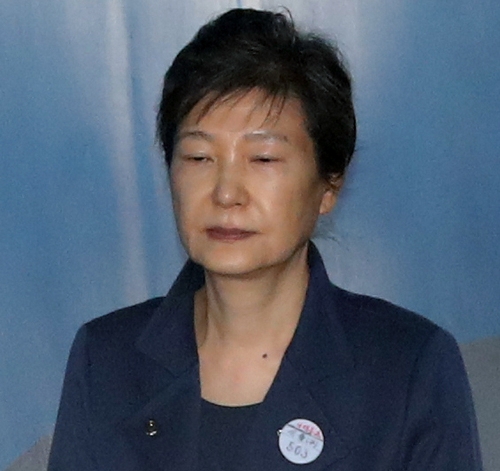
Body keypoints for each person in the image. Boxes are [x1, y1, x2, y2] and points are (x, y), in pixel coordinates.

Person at [48, 8, 482, 471]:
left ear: (329, 186)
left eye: (263, 159)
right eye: (198, 157)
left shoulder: (408, 367)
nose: (226, 193)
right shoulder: (106, 359)